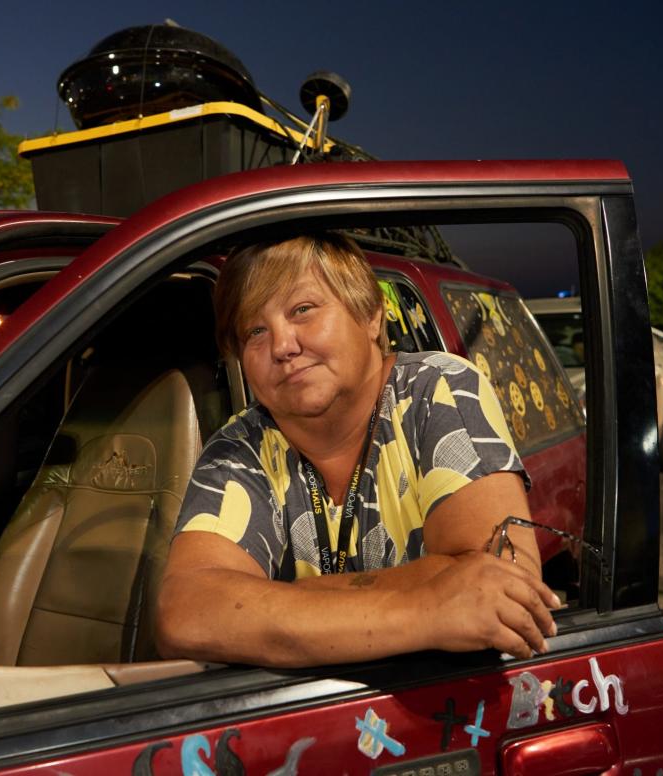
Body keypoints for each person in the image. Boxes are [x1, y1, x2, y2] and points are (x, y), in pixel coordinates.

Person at [155, 233, 561, 668]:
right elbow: (186, 612)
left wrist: (272, 604)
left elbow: (502, 588)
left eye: (302, 310)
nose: (282, 346)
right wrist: (426, 609)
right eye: (256, 330)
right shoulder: (240, 446)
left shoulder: (435, 393)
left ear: (370, 316)